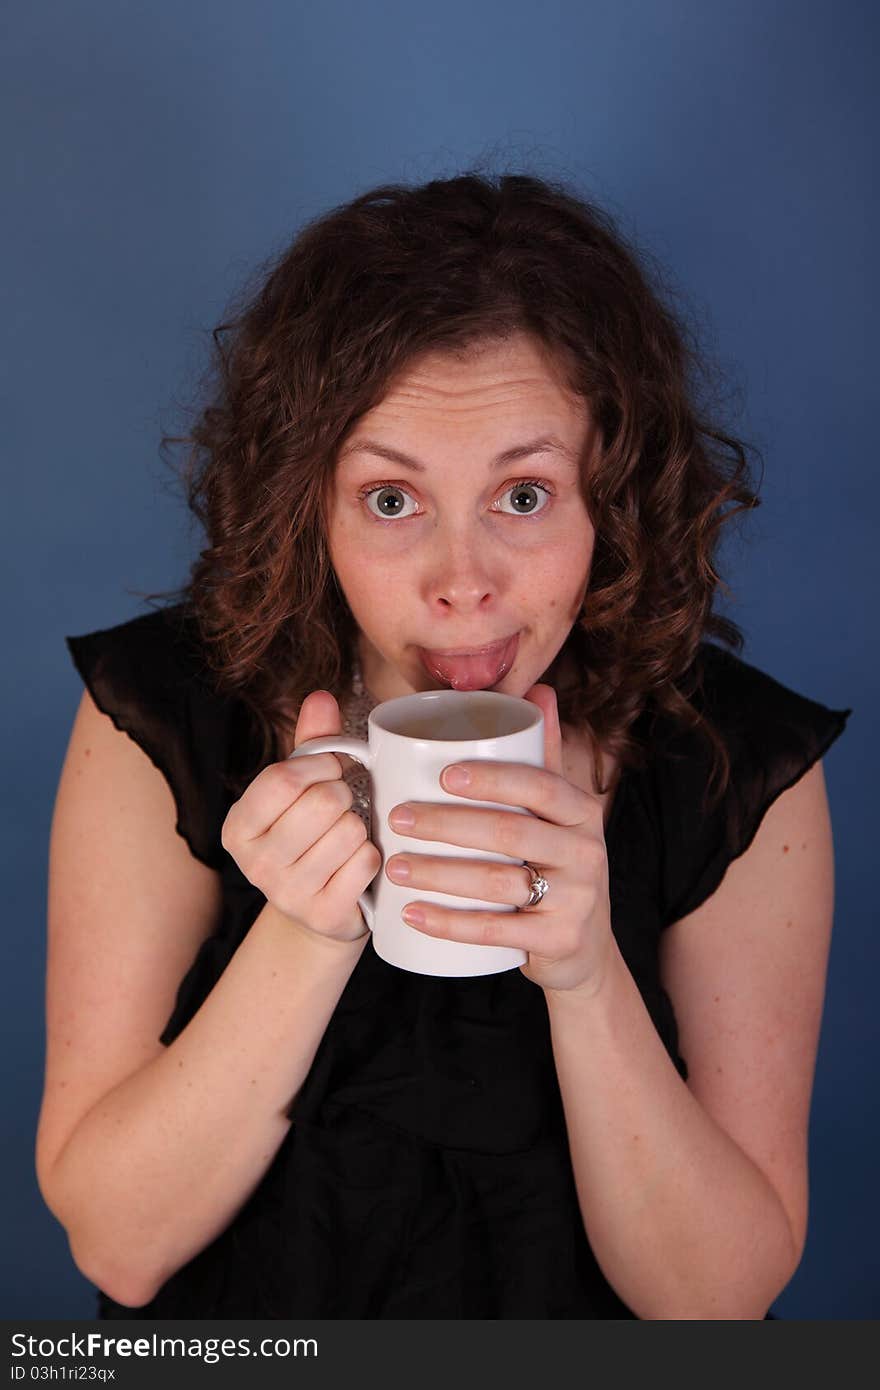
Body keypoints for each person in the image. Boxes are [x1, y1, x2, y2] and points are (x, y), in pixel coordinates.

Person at [38, 171, 851, 1319]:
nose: (462, 583)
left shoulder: (735, 761)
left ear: (610, 503)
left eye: (524, 495)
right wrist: (307, 929)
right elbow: (117, 1245)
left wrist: (585, 974)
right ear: (303, 506)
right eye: (390, 500)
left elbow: (716, 1302)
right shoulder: (160, 712)